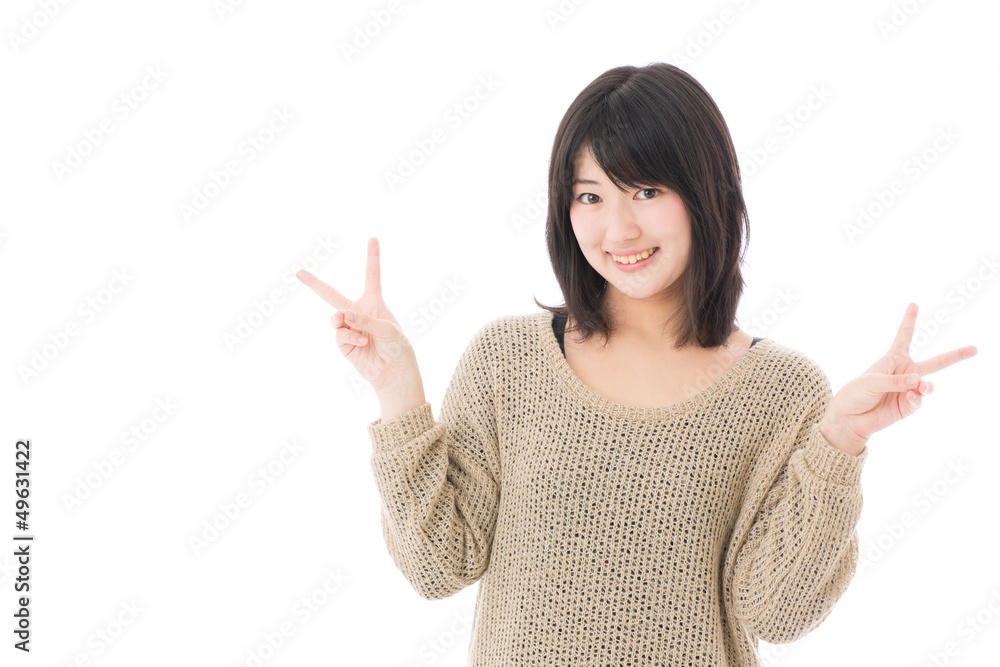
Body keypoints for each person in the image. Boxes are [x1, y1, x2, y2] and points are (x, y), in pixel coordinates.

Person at [296, 63, 977, 666]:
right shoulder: (508, 361)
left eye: (646, 191)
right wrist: (398, 389)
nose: (619, 229)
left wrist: (840, 443)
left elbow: (778, 612)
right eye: (590, 196)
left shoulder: (782, 390)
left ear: (707, 193)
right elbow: (439, 565)